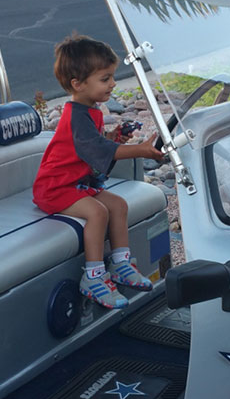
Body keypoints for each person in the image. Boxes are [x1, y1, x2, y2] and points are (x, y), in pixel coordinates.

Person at [33, 35, 164, 309]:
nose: (113, 84)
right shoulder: (75, 116)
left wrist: (115, 136)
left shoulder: (88, 109)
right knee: (98, 212)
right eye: (105, 79)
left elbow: (92, 146)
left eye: (112, 77)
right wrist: (139, 150)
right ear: (77, 84)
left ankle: (121, 264)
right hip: (56, 187)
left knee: (118, 204)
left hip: (77, 183)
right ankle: (93, 276)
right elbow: (95, 146)